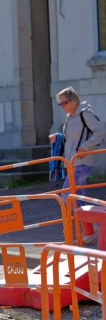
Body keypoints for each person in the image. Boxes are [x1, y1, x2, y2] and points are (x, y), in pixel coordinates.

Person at [49, 87, 106, 243]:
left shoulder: (84, 114)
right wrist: (58, 137)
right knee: (75, 197)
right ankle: (90, 231)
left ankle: (91, 229)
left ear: (73, 100)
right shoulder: (71, 117)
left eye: (64, 103)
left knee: (69, 195)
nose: (62, 107)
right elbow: (72, 138)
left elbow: (101, 131)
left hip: (83, 163)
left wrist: (86, 147)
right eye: (60, 104)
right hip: (73, 163)